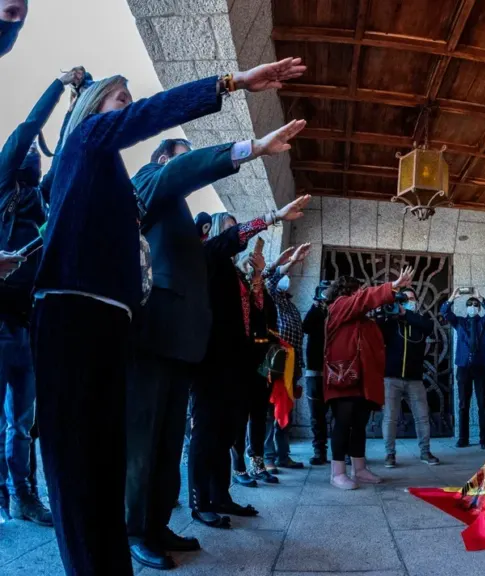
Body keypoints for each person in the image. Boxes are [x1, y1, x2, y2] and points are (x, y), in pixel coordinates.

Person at [31, 58, 304, 576]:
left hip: (116, 323)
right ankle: (123, 542)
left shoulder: (111, 179)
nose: (130, 110)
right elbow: (175, 157)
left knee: (113, 456)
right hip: (78, 316)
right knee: (87, 463)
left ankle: (141, 534)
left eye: (131, 103)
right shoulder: (95, 144)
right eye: (121, 101)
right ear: (94, 110)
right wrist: (233, 87)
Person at [125, 120, 306, 569]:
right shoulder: (148, 184)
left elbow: (221, 249)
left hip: (185, 343)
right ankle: (134, 529)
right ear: (164, 160)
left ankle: (159, 523)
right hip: (155, 335)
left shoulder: (180, 216)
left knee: (168, 442)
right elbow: (219, 244)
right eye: (181, 154)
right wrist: (251, 150)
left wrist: (273, 222)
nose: (188, 162)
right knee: (147, 442)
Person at [188, 196, 309, 530]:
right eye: (229, 230)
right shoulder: (207, 257)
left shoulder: (232, 272)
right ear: (213, 231)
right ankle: (200, 501)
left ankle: (221, 495)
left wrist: (262, 273)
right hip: (211, 360)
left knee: (228, 429)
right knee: (207, 431)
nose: (235, 236)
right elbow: (227, 240)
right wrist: (272, 217)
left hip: (237, 362)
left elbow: (257, 308)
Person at [0, 68, 83, 527]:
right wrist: (57, 84)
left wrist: (75, 105)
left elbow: (66, 154)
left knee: (21, 423)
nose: (33, 153)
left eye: (37, 153)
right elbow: (29, 128)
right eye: (28, 152)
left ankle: (24, 495)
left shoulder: (42, 200)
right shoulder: (2, 184)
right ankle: (6, 494)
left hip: (28, 326)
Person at [324, 268, 413, 490]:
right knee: (343, 424)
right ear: (348, 291)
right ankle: (337, 473)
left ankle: (359, 468)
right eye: (359, 290)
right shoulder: (339, 306)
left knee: (359, 424)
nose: (362, 293)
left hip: (363, 381)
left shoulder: (363, 319)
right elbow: (361, 301)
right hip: (344, 377)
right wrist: (391, 287)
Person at [230, 243, 280, 487]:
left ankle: (257, 463)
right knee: (240, 414)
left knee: (260, 413)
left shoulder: (262, 292)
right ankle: (238, 466)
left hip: (262, 358)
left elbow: (264, 313)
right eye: (251, 265)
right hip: (242, 357)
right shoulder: (238, 287)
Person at [261, 243, 311, 473]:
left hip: (291, 367)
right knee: (271, 412)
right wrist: (289, 262)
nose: (286, 278)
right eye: (285, 275)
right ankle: (267, 456)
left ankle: (283, 455)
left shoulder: (288, 304)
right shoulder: (271, 297)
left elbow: (297, 339)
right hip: (275, 365)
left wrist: (299, 367)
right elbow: (269, 281)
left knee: (286, 410)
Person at [380, 286, 439, 468]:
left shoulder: (421, 321)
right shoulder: (390, 322)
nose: (408, 302)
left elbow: (428, 326)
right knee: (390, 417)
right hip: (391, 378)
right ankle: (390, 454)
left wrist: (406, 314)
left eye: (411, 299)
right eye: (403, 299)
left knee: (422, 416)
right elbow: (377, 329)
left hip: (415, 379)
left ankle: (425, 451)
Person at [441, 288, 485, 449]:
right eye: (470, 304)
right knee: (463, 404)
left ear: (478, 308)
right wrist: (452, 298)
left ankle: (484, 440)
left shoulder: (483, 323)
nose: (472, 306)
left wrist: (481, 298)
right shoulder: (459, 322)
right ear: (466, 308)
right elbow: (444, 312)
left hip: (480, 367)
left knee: (482, 404)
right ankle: (463, 438)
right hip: (463, 367)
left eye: (475, 305)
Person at [302, 280, 334, 465]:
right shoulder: (315, 311)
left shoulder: (337, 311)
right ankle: (319, 451)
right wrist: (316, 306)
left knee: (338, 415)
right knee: (317, 416)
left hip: (334, 371)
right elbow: (305, 327)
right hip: (315, 370)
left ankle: (342, 451)